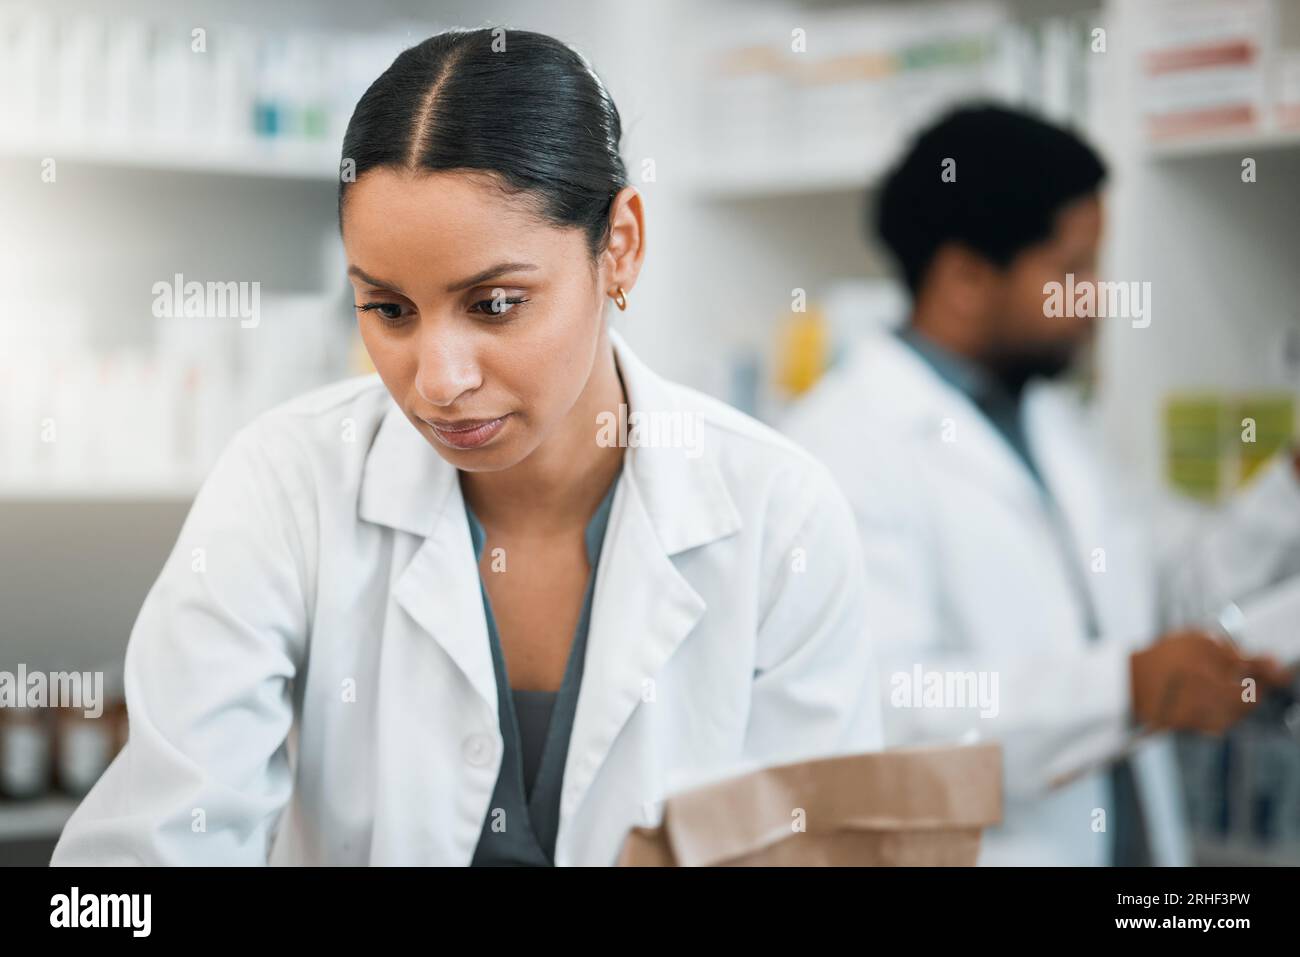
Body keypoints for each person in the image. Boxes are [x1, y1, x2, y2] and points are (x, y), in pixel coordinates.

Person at [51, 28, 880, 866]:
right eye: (390, 310)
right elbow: (151, 848)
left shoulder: (783, 517)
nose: (438, 380)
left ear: (619, 244)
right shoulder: (284, 485)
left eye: (494, 304)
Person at [785, 104, 1300, 866]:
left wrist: (1290, 483)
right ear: (964, 277)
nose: (1096, 301)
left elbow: (1174, 595)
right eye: (1071, 272)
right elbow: (887, 713)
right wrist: (1123, 687)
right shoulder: (842, 445)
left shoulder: (1053, 420)